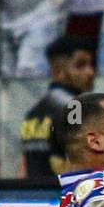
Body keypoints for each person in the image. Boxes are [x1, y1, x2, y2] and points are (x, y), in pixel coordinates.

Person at [21, 34, 97, 180]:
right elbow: (84, 166)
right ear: (57, 70)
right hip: (65, 197)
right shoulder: (76, 109)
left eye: (91, 64)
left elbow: (24, 170)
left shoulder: (33, 113)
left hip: (34, 198)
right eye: (80, 65)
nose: (90, 72)